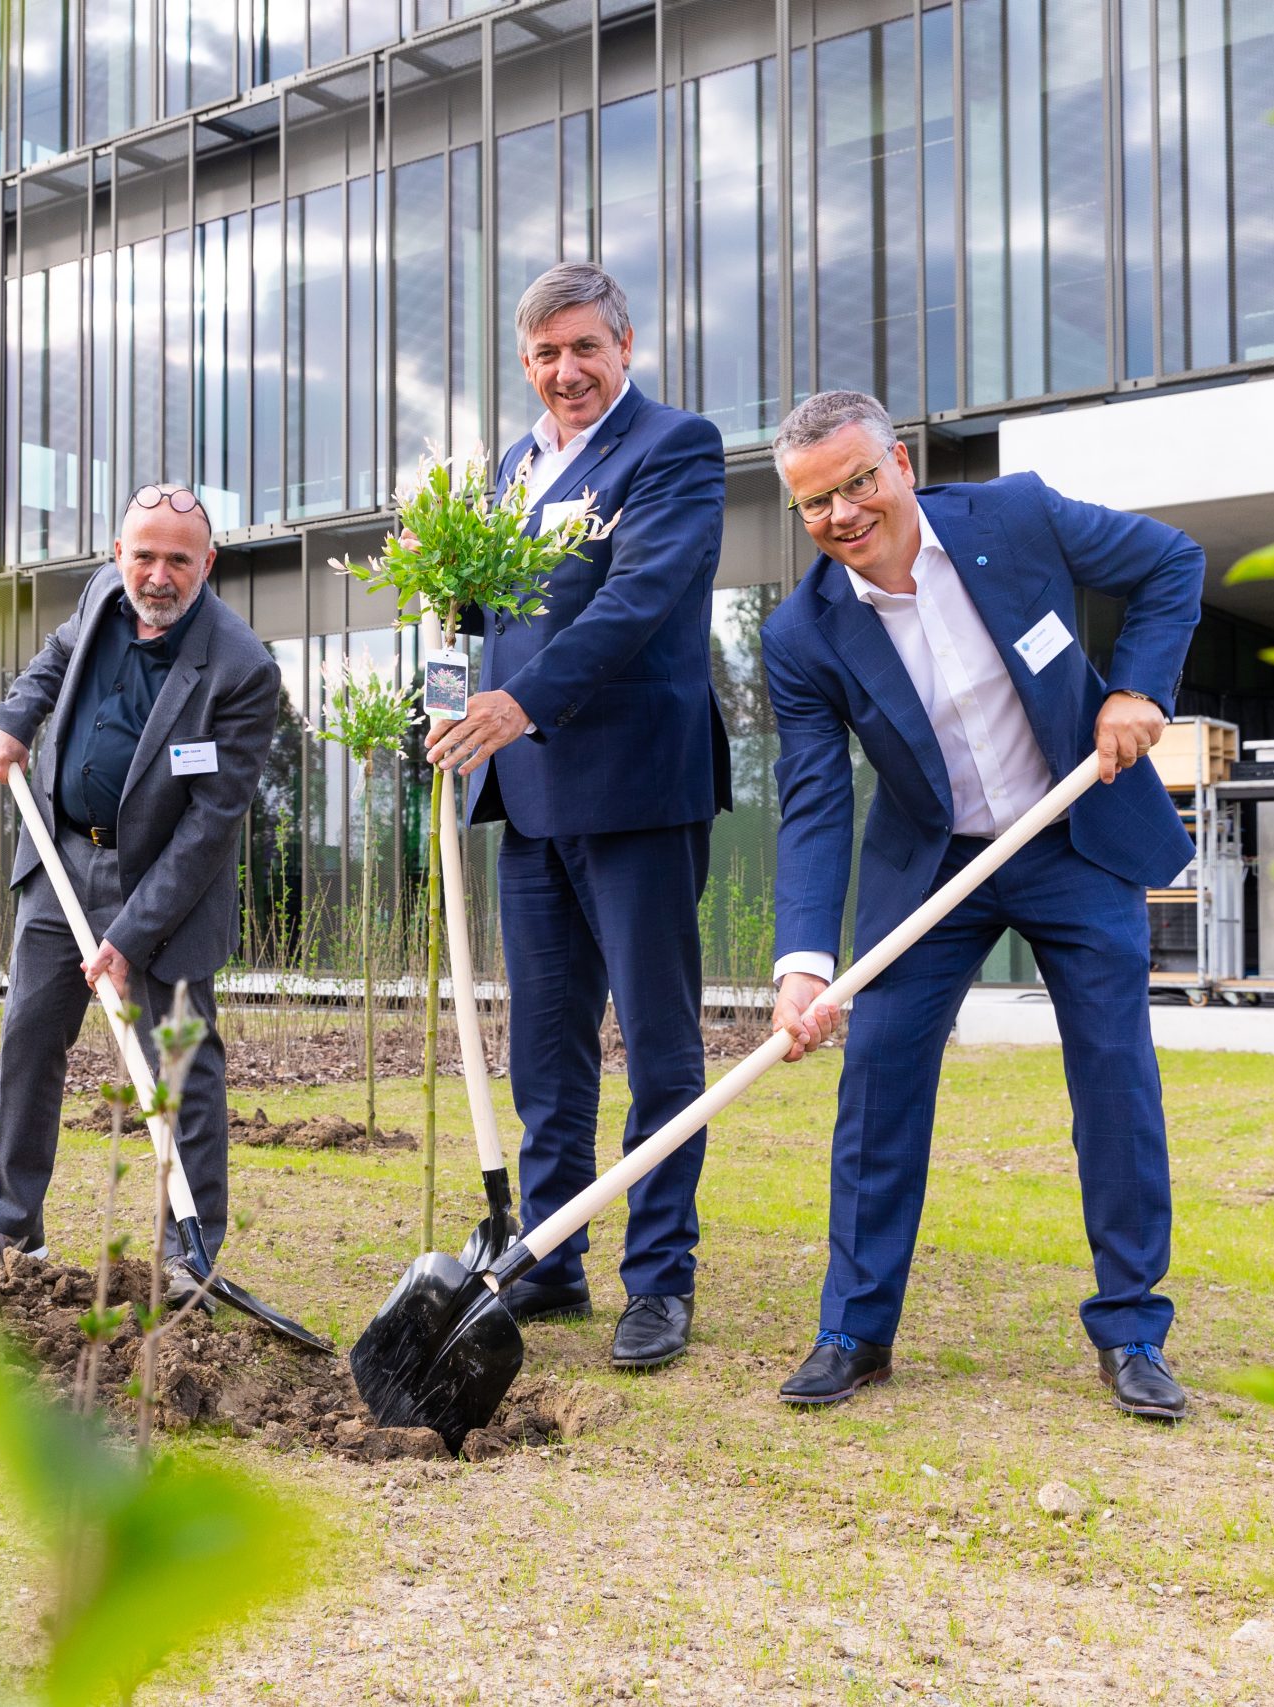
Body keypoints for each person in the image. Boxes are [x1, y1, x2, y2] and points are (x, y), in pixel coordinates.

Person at [758, 390, 1202, 1420]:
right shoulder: (802, 635)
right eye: (814, 503)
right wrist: (802, 968)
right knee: (877, 1080)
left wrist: (1138, 690)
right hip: (932, 870)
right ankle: (854, 1331)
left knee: (1113, 1076)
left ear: (901, 463)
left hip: (1071, 839)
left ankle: (1132, 1329)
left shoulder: (1017, 517)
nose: (842, 515)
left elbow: (1170, 563)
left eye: (858, 480)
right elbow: (815, 806)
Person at [425, 262, 732, 1371]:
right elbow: (470, 617)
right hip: (523, 795)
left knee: (656, 1045)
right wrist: (445, 708)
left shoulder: (675, 449)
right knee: (545, 1052)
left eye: (584, 349)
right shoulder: (508, 470)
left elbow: (639, 599)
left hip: (635, 790)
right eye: (545, 354)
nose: (566, 371)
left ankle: (660, 1278)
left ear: (625, 346)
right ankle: (551, 1256)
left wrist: (523, 702)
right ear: (525, 363)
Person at [0, 485, 282, 1294]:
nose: (158, 574)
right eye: (143, 555)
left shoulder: (243, 670)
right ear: (118, 556)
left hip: (162, 890)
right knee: (28, 1040)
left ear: (208, 564)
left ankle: (190, 1254)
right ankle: (11, 1225)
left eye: (179, 559)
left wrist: (130, 935)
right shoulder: (99, 597)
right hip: (60, 858)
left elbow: (210, 827)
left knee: (180, 1066)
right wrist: (14, 717)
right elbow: (52, 660)